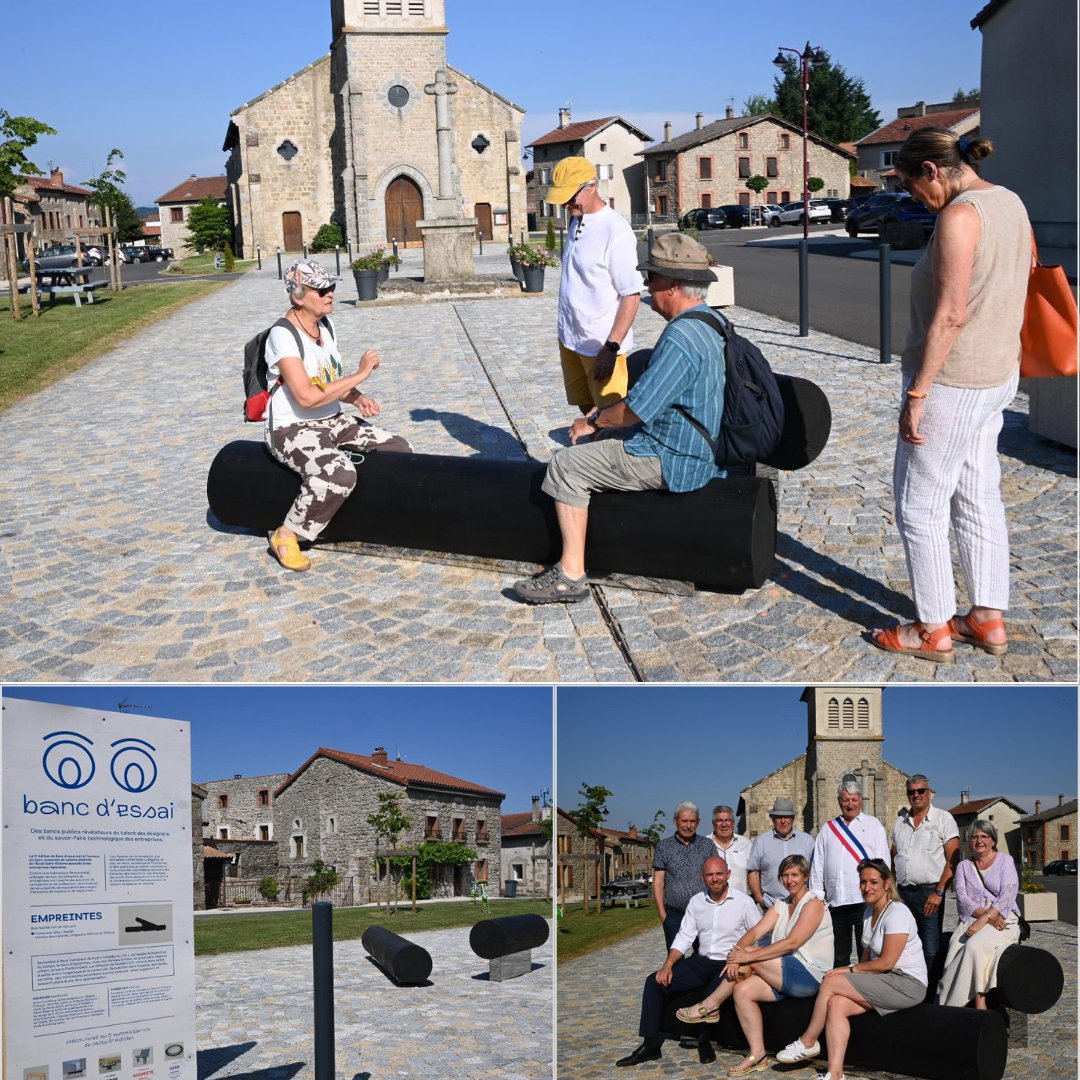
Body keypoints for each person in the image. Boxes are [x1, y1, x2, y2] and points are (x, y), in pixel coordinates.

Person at [870, 128, 1031, 662]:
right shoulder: (1010, 201)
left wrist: (918, 392)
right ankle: (987, 620)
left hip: (954, 381)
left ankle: (931, 628)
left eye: (912, 184)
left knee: (919, 506)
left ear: (932, 170)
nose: (914, 196)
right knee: (979, 493)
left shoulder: (960, 216)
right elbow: (1026, 269)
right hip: (997, 374)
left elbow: (951, 313)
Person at [512, 233, 724, 603]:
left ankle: (571, 575)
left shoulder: (681, 338)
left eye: (652, 279)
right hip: (695, 445)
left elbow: (635, 411)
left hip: (673, 457)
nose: (646, 286)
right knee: (600, 445)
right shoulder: (709, 323)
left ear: (673, 286)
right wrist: (602, 415)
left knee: (566, 465)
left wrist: (590, 422)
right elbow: (655, 396)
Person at [264, 260, 411, 571]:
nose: (330, 293)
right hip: (292, 428)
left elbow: (328, 381)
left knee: (398, 448)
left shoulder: (325, 327)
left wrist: (357, 399)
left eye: (331, 287)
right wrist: (360, 375)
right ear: (298, 296)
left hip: (333, 421)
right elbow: (306, 395)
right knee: (337, 473)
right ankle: (286, 534)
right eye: (321, 289)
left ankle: (374, 515)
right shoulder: (282, 335)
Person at [676, 854, 834, 1077]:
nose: (790, 880)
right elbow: (755, 932)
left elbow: (793, 942)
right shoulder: (781, 905)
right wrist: (735, 955)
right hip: (784, 971)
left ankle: (710, 1004)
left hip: (809, 975)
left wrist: (745, 956)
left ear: (805, 877)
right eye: (785, 876)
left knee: (749, 955)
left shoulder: (814, 904)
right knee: (742, 990)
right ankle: (757, 1054)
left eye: (795, 875)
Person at [777, 859, 928, 1080]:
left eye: (874, 882)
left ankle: (808, 1041)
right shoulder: (868, 914)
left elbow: (886, 962)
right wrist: (849, 971)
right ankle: (835, 1073)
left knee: (830, 981)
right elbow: (867, 955)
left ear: (887, 884)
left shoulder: (898, 912)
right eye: (863, 882)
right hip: (885, 980)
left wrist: (849, 969)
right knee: (836, 1003)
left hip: (908, 983)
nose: (867, 887)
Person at [615, 856, 759, 1068]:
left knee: (711, 994)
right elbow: (684, 937)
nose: (715, 879)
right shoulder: (696, 901)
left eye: (719, 873)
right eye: (710, 875)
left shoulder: (744, 903)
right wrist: (668, 965)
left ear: (728, 874)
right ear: (702, 878)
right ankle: (651, 1044)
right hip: (700, 961)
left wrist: (743, 958)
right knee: (654, 982)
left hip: (728, 962)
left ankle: (704, 1041)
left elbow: (760, 936)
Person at [545, 156, 642, 416]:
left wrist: (611, 348)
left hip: (601, 345)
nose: (565, 204)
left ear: (591, 186)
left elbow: (631, 295)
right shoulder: (577, 220)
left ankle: (605, 454)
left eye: (569, 196)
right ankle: (591, 445)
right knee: (584, 405)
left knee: (611, 415)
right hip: (570, 338)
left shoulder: (615, 230)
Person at [936, 820, 1020, 1009]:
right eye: (975, 837)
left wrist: (985, 919)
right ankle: (949, 1001)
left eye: (984, 836)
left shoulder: (1005, 861)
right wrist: (984, 917)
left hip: (1004, 919)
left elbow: (1008, 894)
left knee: (974, 946)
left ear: (993, 840)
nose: (979, 840)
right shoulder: (964, 866)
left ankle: (969, 1002)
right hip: (973, 919)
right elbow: (962, 898)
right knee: (953, 953)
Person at [809, 779, 890, 969]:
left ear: (861, 800)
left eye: (854, 799)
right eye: (846, 800)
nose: (850, 804)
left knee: (867, 953)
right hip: (836, 903)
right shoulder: (828, 829)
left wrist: (883, 896)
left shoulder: (873, 825)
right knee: (839, 955)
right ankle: (839, 990)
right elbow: (817, 865)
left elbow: (884, 863)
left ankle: (865, 994)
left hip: (865, 902)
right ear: (839, 801)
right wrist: (817, 897)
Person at [890, 773, 960, 976]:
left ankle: (929, 1000)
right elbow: (894, 859)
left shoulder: (943, 819)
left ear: (929, 794)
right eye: (911, 792)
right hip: (902, 894)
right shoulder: (900, 822)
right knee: (904, 947)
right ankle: (907, 992)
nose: (916, 795)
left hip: (929, 893)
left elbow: (953, 860)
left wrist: (939, 893)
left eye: (921, 791)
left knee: (930, 949)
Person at [651, 801, 716, 949]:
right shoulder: (664, 846)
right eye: (684, 821)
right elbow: (658, 882)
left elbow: (715, 877)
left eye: (692, 821)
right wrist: (663, 915)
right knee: (675, 958)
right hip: (674, 914)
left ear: (698, 822)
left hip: (703, 912)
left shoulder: (707, 845)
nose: (688, 825)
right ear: (675, 821)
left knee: (704, 956)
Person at [747, 797, 815, 913]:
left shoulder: (807, 841)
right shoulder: (761, 842)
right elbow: (753, 872)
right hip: (771, 907)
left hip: (801, 907)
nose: (783, 821)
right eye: (778, 817)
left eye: (787, 817)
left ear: (793, 819)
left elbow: (814, 871)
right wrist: (760, 899)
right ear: (773, 819)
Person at [709, 805, 753, 896]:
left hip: (740, 904)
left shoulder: (746, 844)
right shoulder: (705, 845)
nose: (724, 825)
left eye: (727, 820)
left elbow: (754, 874)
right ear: (713, 825)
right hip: (713, 904)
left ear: (733, 823)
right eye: (719, 821)